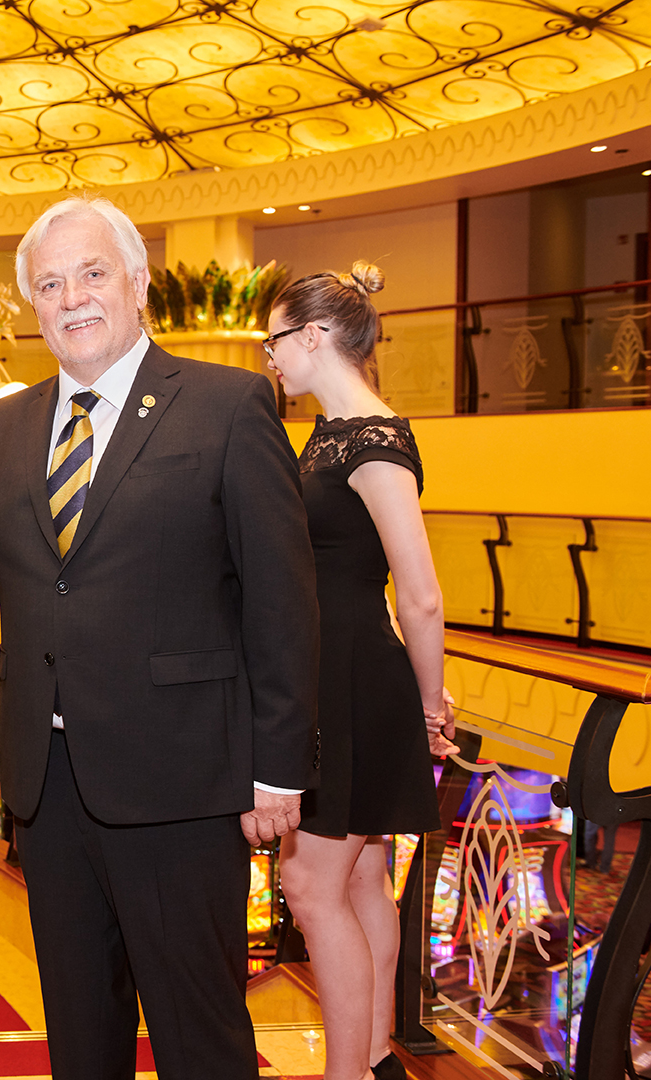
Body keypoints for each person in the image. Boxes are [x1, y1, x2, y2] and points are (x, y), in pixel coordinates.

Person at [0, 194, 320, 1080]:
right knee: (79, 1037)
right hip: (48, 785)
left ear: (136, 282)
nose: (72, 298)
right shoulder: (0, 426)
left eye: (92, 273)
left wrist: (279, 768)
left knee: (200, 1038)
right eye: (50, 283)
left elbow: (281, 599)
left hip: (183, 780)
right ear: (34, 303)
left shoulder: (227, 404)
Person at [262, 262, 457, 1080]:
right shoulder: (330, 432)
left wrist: (428, 703)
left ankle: (348, 1072)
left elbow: (419, 594)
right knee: (361, 879)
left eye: (273, 340)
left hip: (351, 677)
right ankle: (375, 1058)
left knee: (310, 888)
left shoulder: (375, 439)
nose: (269, 357)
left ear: (311, 336)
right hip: (333, 670)